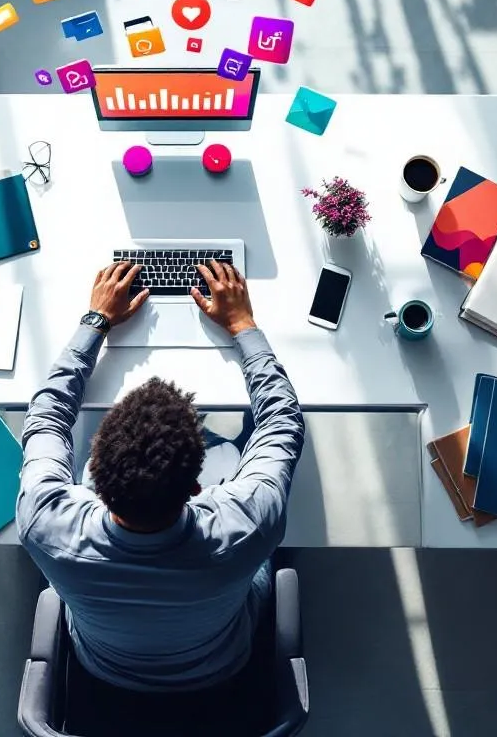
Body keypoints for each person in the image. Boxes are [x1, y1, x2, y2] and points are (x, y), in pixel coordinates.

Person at [16, 260, 305, 694]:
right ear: (196, 487)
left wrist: (96, 322)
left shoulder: (45, 523)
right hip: (223, 663)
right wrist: (243, 325)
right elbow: (282, 420)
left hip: (104, 668)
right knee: (244, 447)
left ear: (94, 474)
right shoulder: (247, 522)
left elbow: (46, 418)